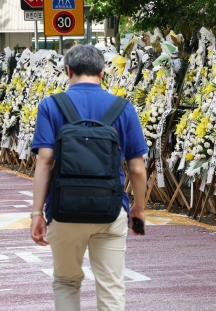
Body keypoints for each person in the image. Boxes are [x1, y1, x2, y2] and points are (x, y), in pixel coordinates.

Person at [29, 44, 149, 311]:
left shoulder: (51, 105)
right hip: (110, 209)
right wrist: (138, 209)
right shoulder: (123, 108)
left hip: (64, 209)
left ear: (67, 71)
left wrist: (37, 212)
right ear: (103, 73)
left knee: (66, 282)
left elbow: (45, 160)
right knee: (111, 286)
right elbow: (137, 169)